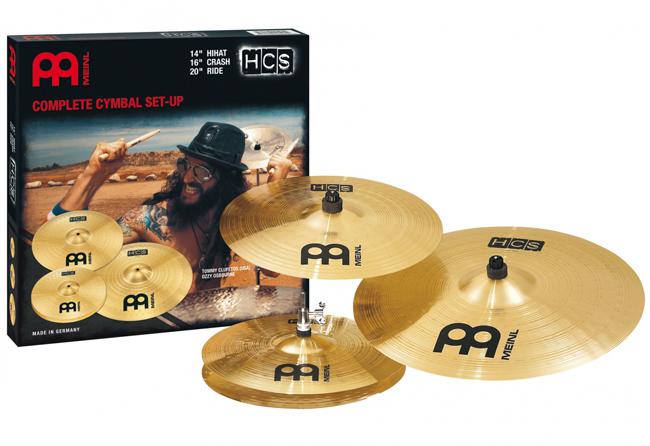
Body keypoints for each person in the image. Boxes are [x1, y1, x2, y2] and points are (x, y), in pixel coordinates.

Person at [53, 122, 292, 292]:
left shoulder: (231, 218)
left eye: (202, 172)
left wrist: (274, 190)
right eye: (185, 165)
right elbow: (64, 254)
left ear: (227, 180)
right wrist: (93, 174)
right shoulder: (149, 219)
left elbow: (270, 270)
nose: (187, 178)